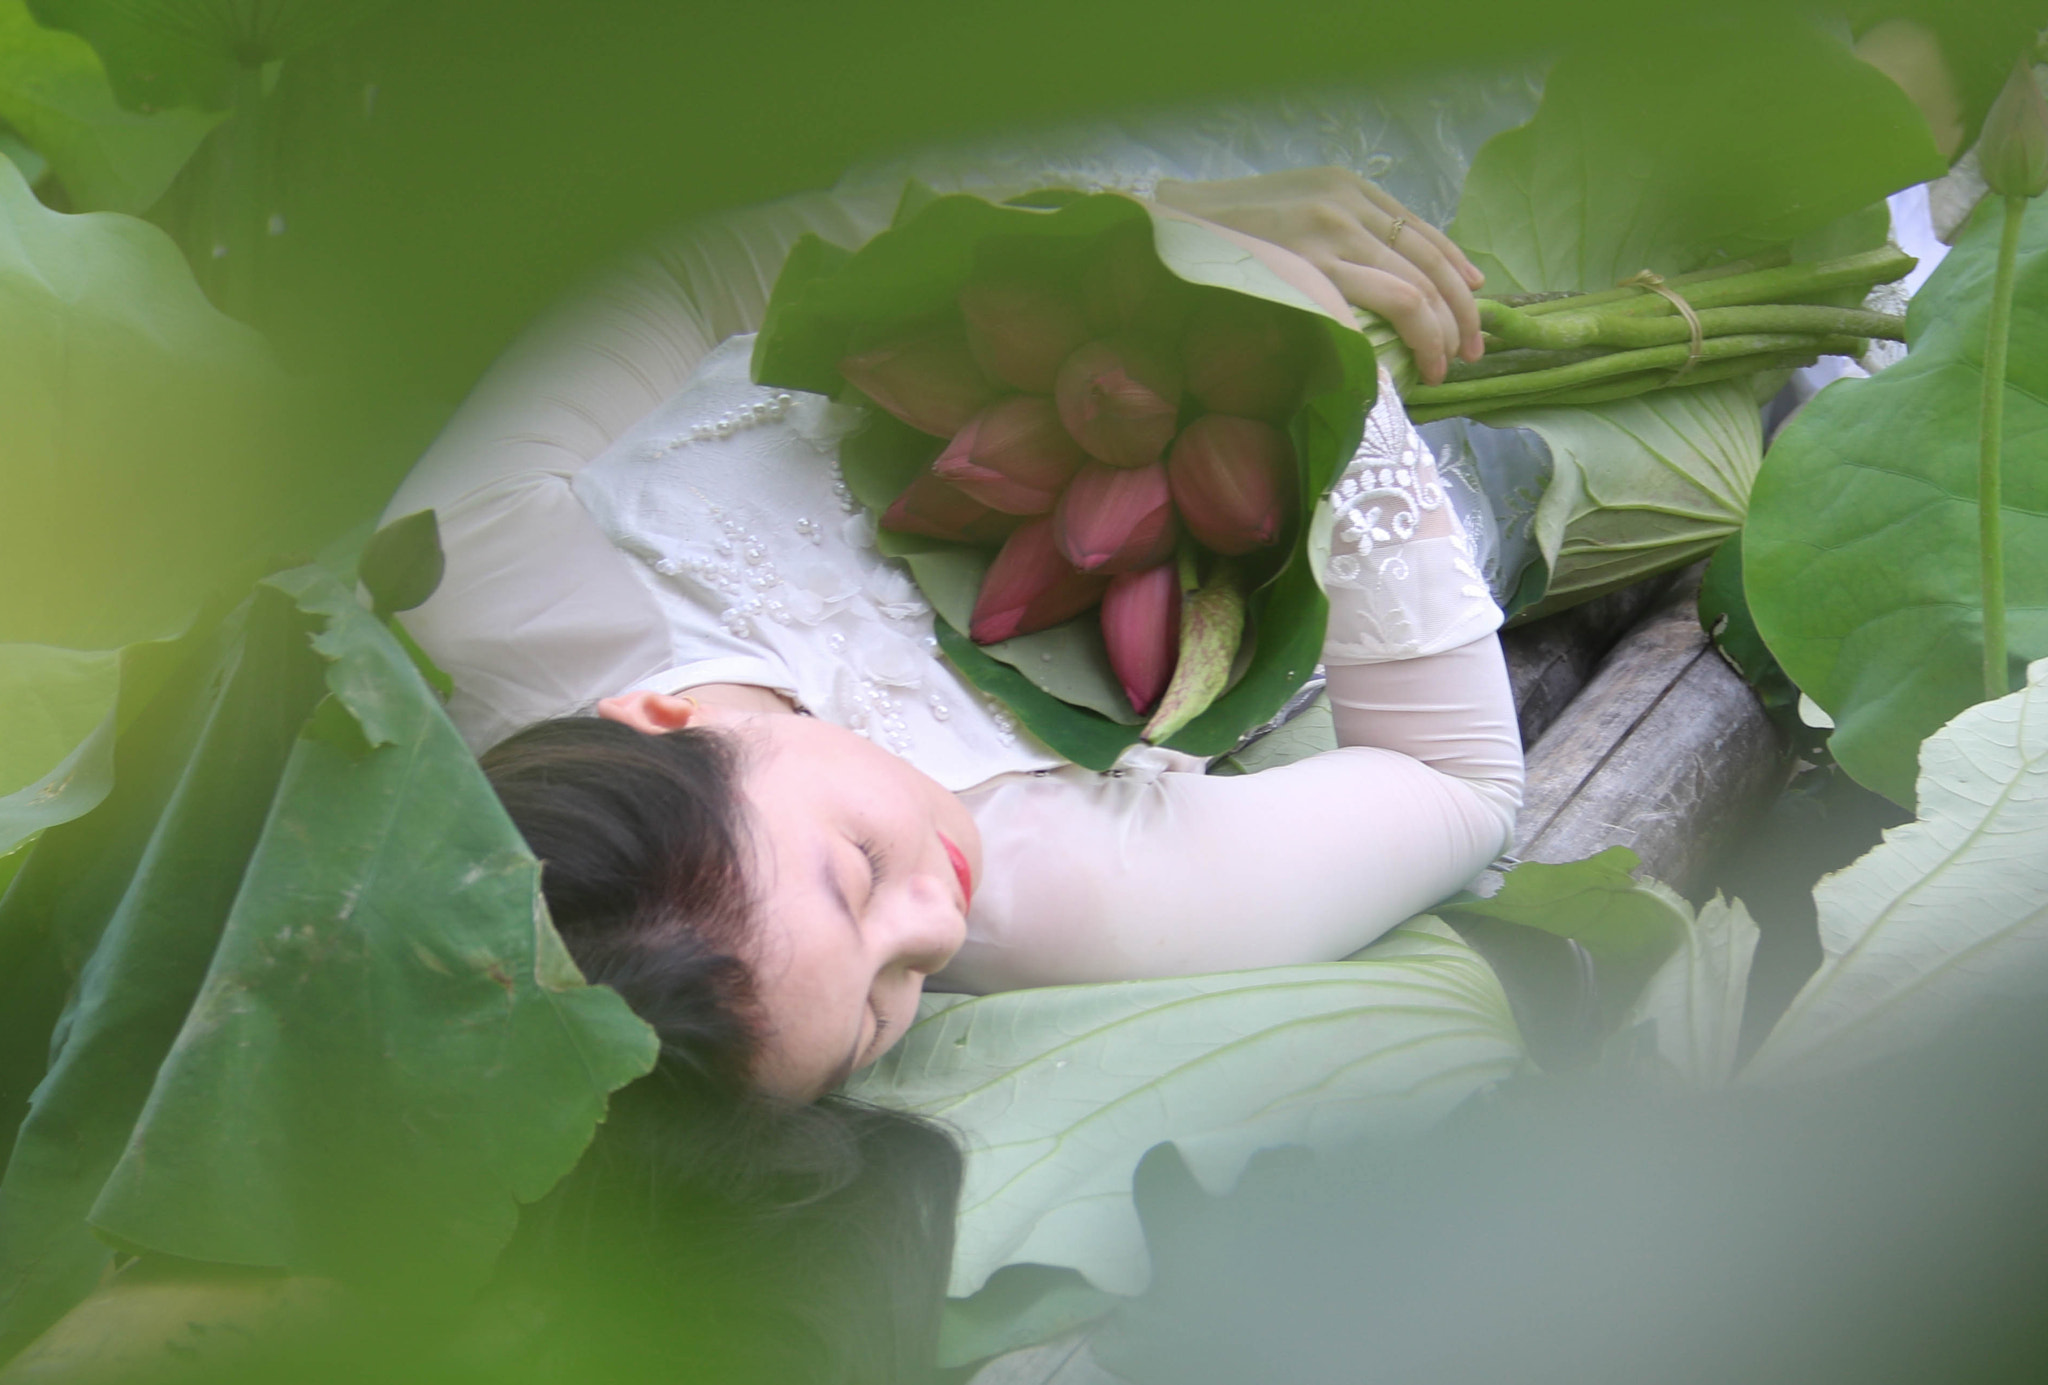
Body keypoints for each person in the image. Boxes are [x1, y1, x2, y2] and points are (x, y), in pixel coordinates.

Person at [388, 169, 1521, 1382]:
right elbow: (1455, 779)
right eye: (887, 1006)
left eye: (856, 872)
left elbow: (689, 267)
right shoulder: (1056, 888)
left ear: (660, 717)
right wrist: (1304, 377)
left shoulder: (477, 560)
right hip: (1438, 423)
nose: (935, 913)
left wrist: (1149, 234)